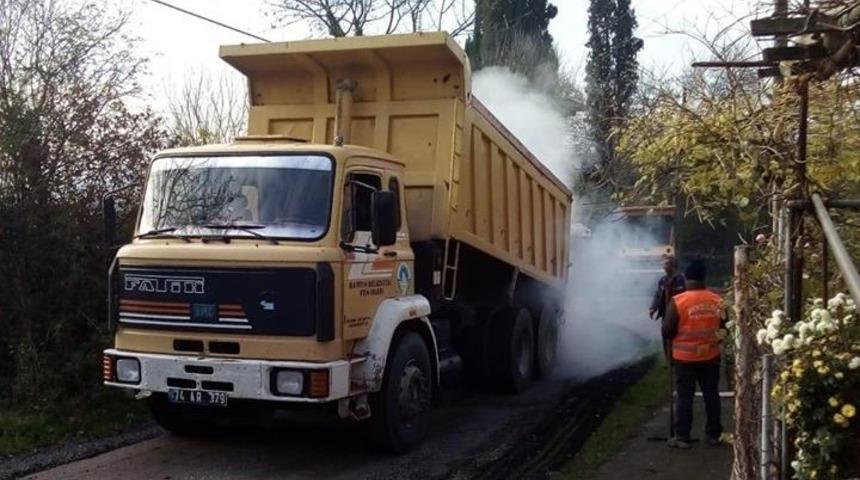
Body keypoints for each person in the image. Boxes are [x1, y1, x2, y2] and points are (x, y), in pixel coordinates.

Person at [662, 259, 725, 449]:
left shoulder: (679, 301)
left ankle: (682, 437)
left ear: (687, 279)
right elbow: (724, 327)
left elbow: (667, 331)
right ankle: (714, 434)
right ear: (704, 279)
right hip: (710, 356)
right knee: (712, 395)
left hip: (684, 359)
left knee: (684, 397)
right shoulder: (717, 300)